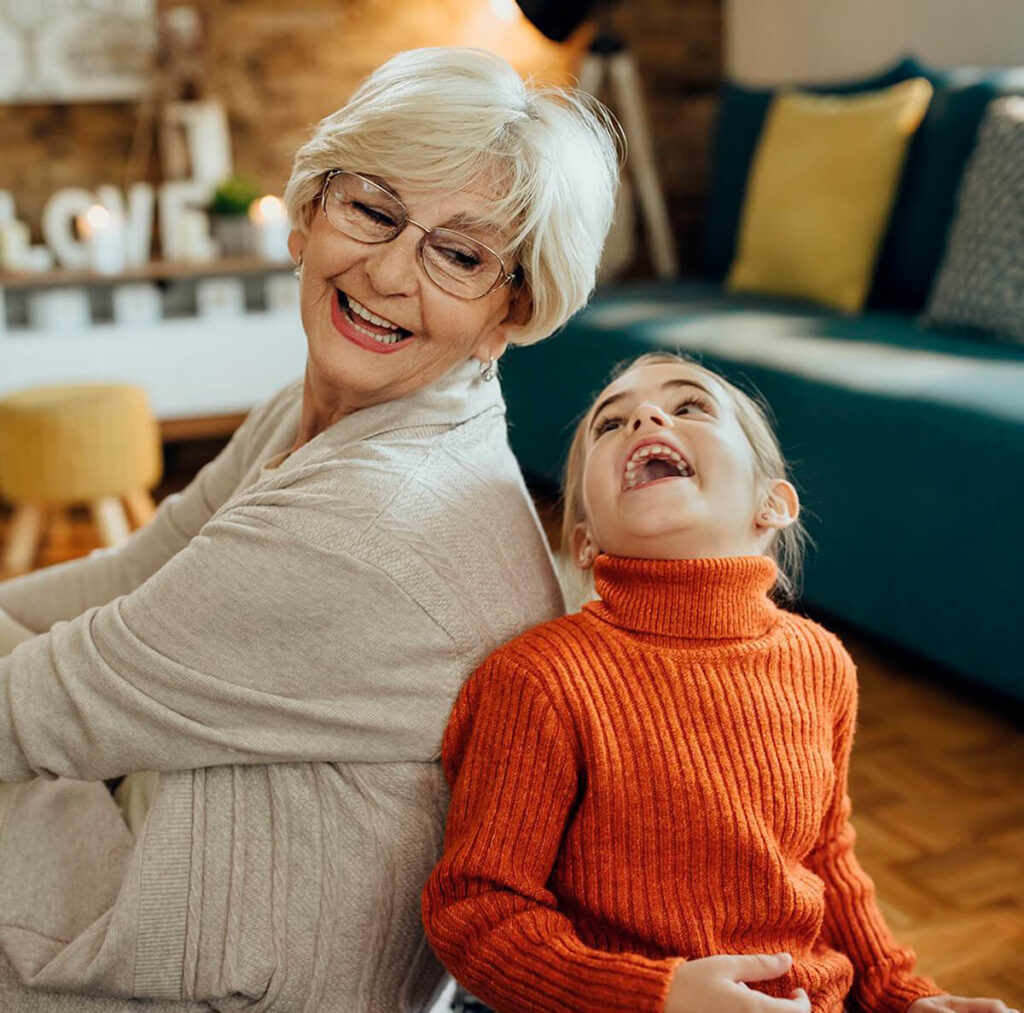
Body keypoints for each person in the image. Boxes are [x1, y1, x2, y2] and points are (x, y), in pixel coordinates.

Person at [0, 47, 621, 1012]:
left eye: (459, 254)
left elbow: (43, 708)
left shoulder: (364, 521)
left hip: (193, 971)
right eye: (372, 208)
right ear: (307, 210)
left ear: (514, 308)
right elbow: (131, 571)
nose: (385, 271)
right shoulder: (321, 413)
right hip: (201, 877)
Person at [422, 351, 1017, 1013]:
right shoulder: (540, 680)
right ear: (585, 541)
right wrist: (657, 996)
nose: (645, 416)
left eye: (689, 405)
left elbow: (826, 859)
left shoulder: (821, 663)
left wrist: (900, 994)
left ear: (775, 503)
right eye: (608, 423)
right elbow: (476, 907)